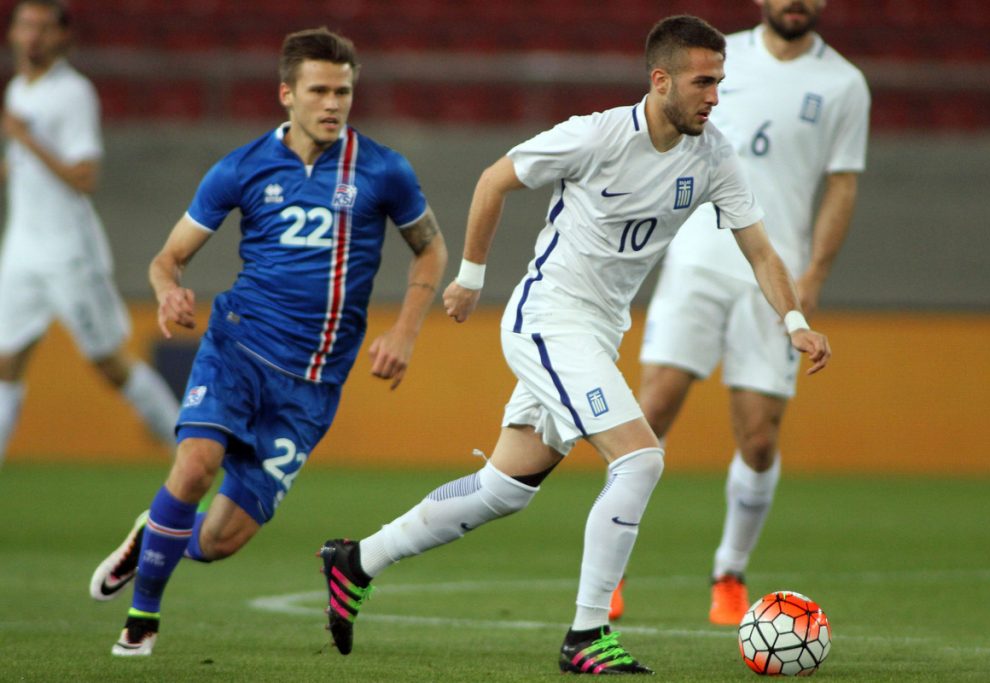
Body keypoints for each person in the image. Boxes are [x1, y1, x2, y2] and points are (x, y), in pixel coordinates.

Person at [318, 14, 830, 676]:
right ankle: (587, 634)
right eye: (702, 82)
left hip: (596, 332)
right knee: (640, 459)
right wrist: (470, 277)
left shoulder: (713, 157)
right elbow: (494, 179)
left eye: (719, 82)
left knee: (504, 489)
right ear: (661, 80)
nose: (714, 96)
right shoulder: (596, 135)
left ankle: (356, 561)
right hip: (549, 319)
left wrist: (794, 322)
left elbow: (760, 251)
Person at [88, 27, 448, 656]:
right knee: (194, 467)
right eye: (319, 91)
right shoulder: (241, 167)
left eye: (343, 92)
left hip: (313, 383)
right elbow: (167, 259)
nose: (332, 104)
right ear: (287, 94)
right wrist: (169, 291)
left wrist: (406, 331)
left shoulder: (383, 169)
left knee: (220, 541)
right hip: (238, 348)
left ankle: (156, 534)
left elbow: (431, 249)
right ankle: (141, 621)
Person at [612, 0, 870, 626]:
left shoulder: (843, 84)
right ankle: (609, 569)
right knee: (650, 413)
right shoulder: (714, 61)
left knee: (757, 439)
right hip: (696, 260)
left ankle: (729, 570)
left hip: (775, 274)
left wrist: (815, 274)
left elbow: (842, 184)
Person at [0, 0, 180, 467]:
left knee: (109, 364)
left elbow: (84, 177)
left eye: (44, 27)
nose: (33, 35)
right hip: (22, 248)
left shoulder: (73, 93)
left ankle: (188, 453)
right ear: (13, 33)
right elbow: (21, 168)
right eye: (26, 25)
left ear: (63, 37)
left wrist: (25, 138)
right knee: (5, 363)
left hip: (67, 253)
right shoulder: (19, 89)